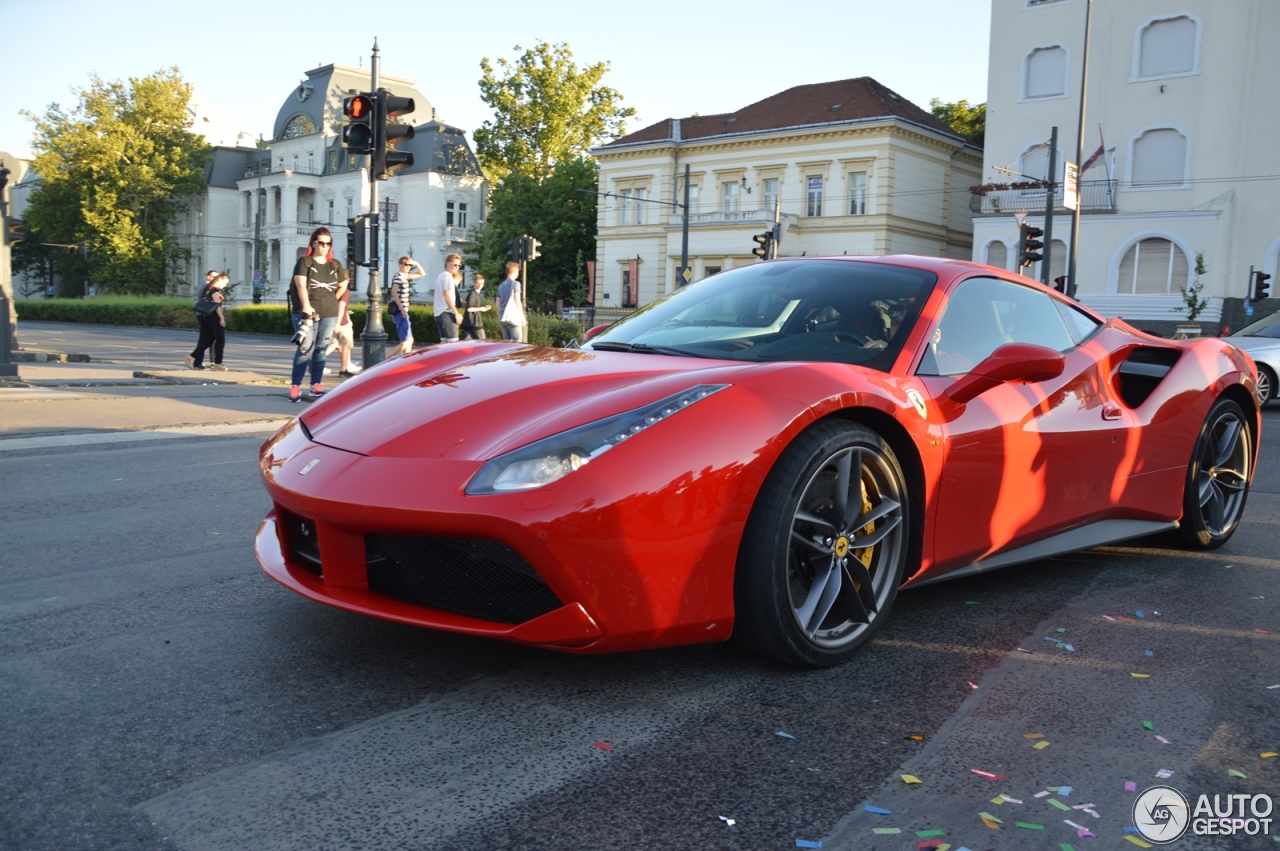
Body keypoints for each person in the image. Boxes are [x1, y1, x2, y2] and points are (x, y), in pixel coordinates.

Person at [290, 227, 347, 402]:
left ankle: (316, 384)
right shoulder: (305, 261)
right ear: (313, 243)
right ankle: (296, 385)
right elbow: (300, 285)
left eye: (327, 244)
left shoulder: (335, 265)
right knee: (305, 349)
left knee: (321, 350)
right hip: (307, 312)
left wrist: (333, 300)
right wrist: (306, 306)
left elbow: (343, 284)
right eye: (320, 243)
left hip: (329, 312)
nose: (323, 246)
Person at [185, 274, 228, 370]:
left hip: (204, 316)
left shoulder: (208, 289)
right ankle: (218, 364)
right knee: (220, 340)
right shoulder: (215, 290)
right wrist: (222, 318)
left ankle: (190, 357)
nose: (225, 285)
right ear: (220, 280)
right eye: (225, 283)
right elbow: (216, 306)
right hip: (213, 317)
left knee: (208, 340)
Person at [390, 256, 424, 355]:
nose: (408, 266)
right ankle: (382, 358)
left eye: (409, 265)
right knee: (406, 341)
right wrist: (402, 309)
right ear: (400, 264)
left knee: (409, 340)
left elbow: (422, 274)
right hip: (400, 311)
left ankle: (406, 360)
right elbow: (393, 293)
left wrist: (416, 263)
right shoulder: (398, 276)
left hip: (403, 311)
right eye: (405, 264)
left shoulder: (405, 276)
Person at [324, 286, 361, 377]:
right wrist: (339, 322)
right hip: (342, 323)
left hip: (331, 319)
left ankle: (315, 360)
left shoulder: (331, 289)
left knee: (334, 344)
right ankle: (344, 370)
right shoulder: (345, 291)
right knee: (345, 345)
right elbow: (341, 306)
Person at [433, 254, 464, 344]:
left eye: (459, 265)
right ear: (448, 263)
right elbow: (447, 296)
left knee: (444, 343)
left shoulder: (441, 275)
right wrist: (456, 313)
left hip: (438, 313)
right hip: (446, 313)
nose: (457, 267)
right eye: (455, 265)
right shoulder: (448, 277)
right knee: (453, 343)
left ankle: (435, 358)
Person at [497, 261, 527, 342]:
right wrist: (522, 318)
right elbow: (517, 301)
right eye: (517, 271)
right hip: (513, 318)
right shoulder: (516, 284)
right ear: (513, 271)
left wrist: (502, 314)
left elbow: (497, 304)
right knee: (517, 345)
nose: (518, 273)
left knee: (507, 345)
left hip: (503, 318)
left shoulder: (500, 286)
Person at [460, 273, 491, 340]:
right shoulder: (473, 294)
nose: (480, 285)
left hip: (470, 323)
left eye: (482, 283)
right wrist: (481, 308)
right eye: (478, 283)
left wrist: (483, 308)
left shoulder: (476, 293)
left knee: (467, 344)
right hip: (474, 323)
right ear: (474, 283)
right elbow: (469, 309)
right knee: (482, 342)